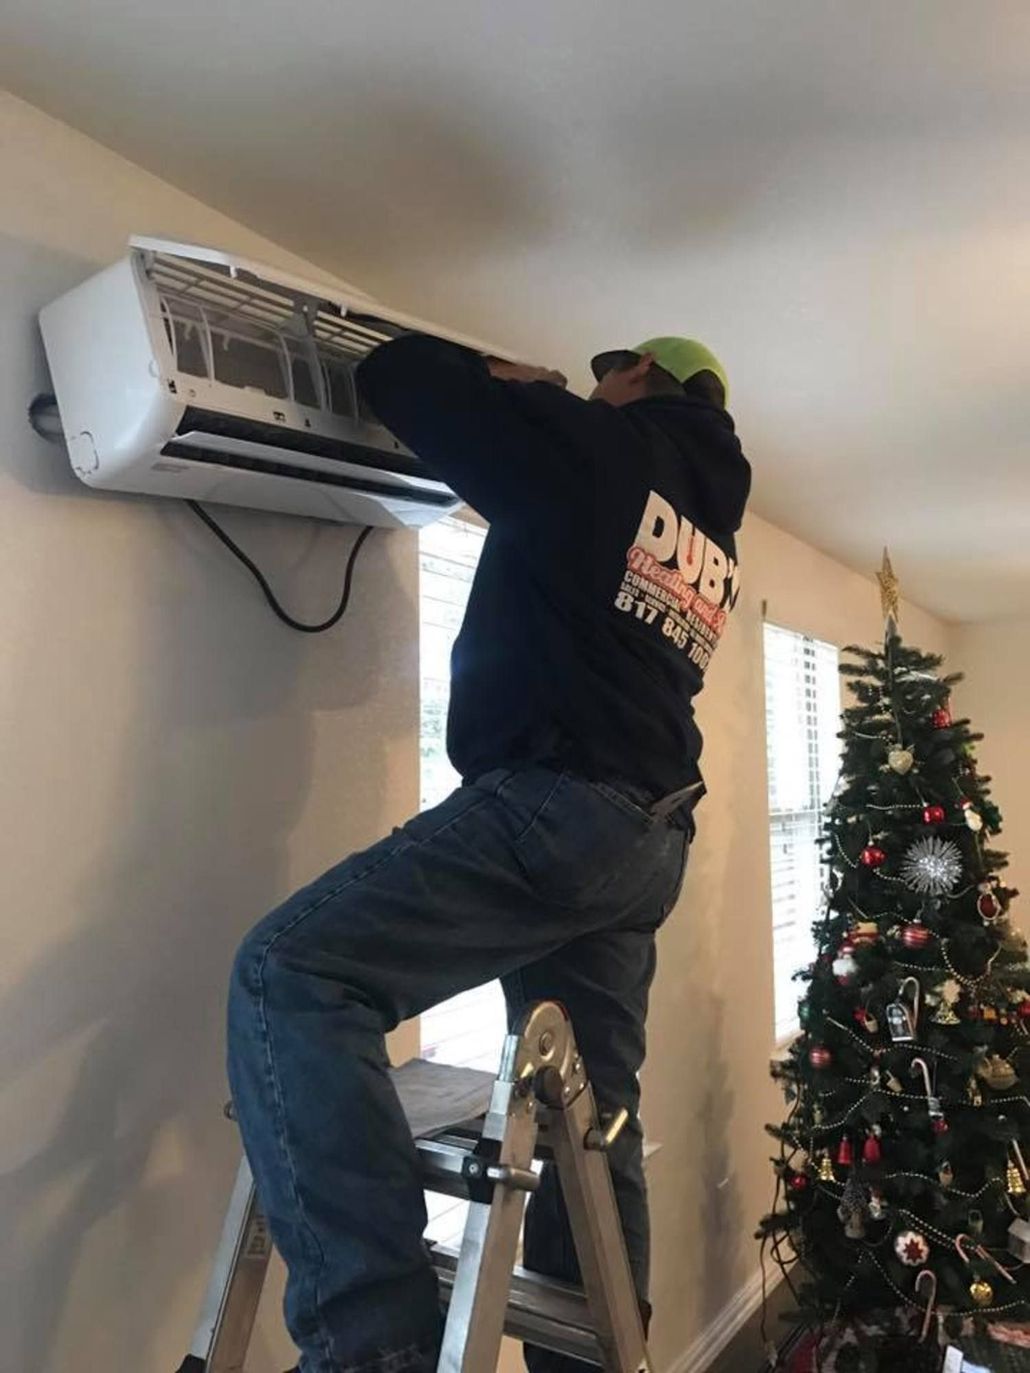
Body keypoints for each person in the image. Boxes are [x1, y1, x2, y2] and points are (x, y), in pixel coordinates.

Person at [227, 333, 751, 1373]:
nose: (597, 380)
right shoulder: (709, 543)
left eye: (612, 370)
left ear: (641, 378)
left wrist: (504, 380)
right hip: (646, 836)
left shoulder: (606, 445)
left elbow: (397, 377)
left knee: (293, 971)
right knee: (590, 1114)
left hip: (561, 808)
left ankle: (372, 1347)